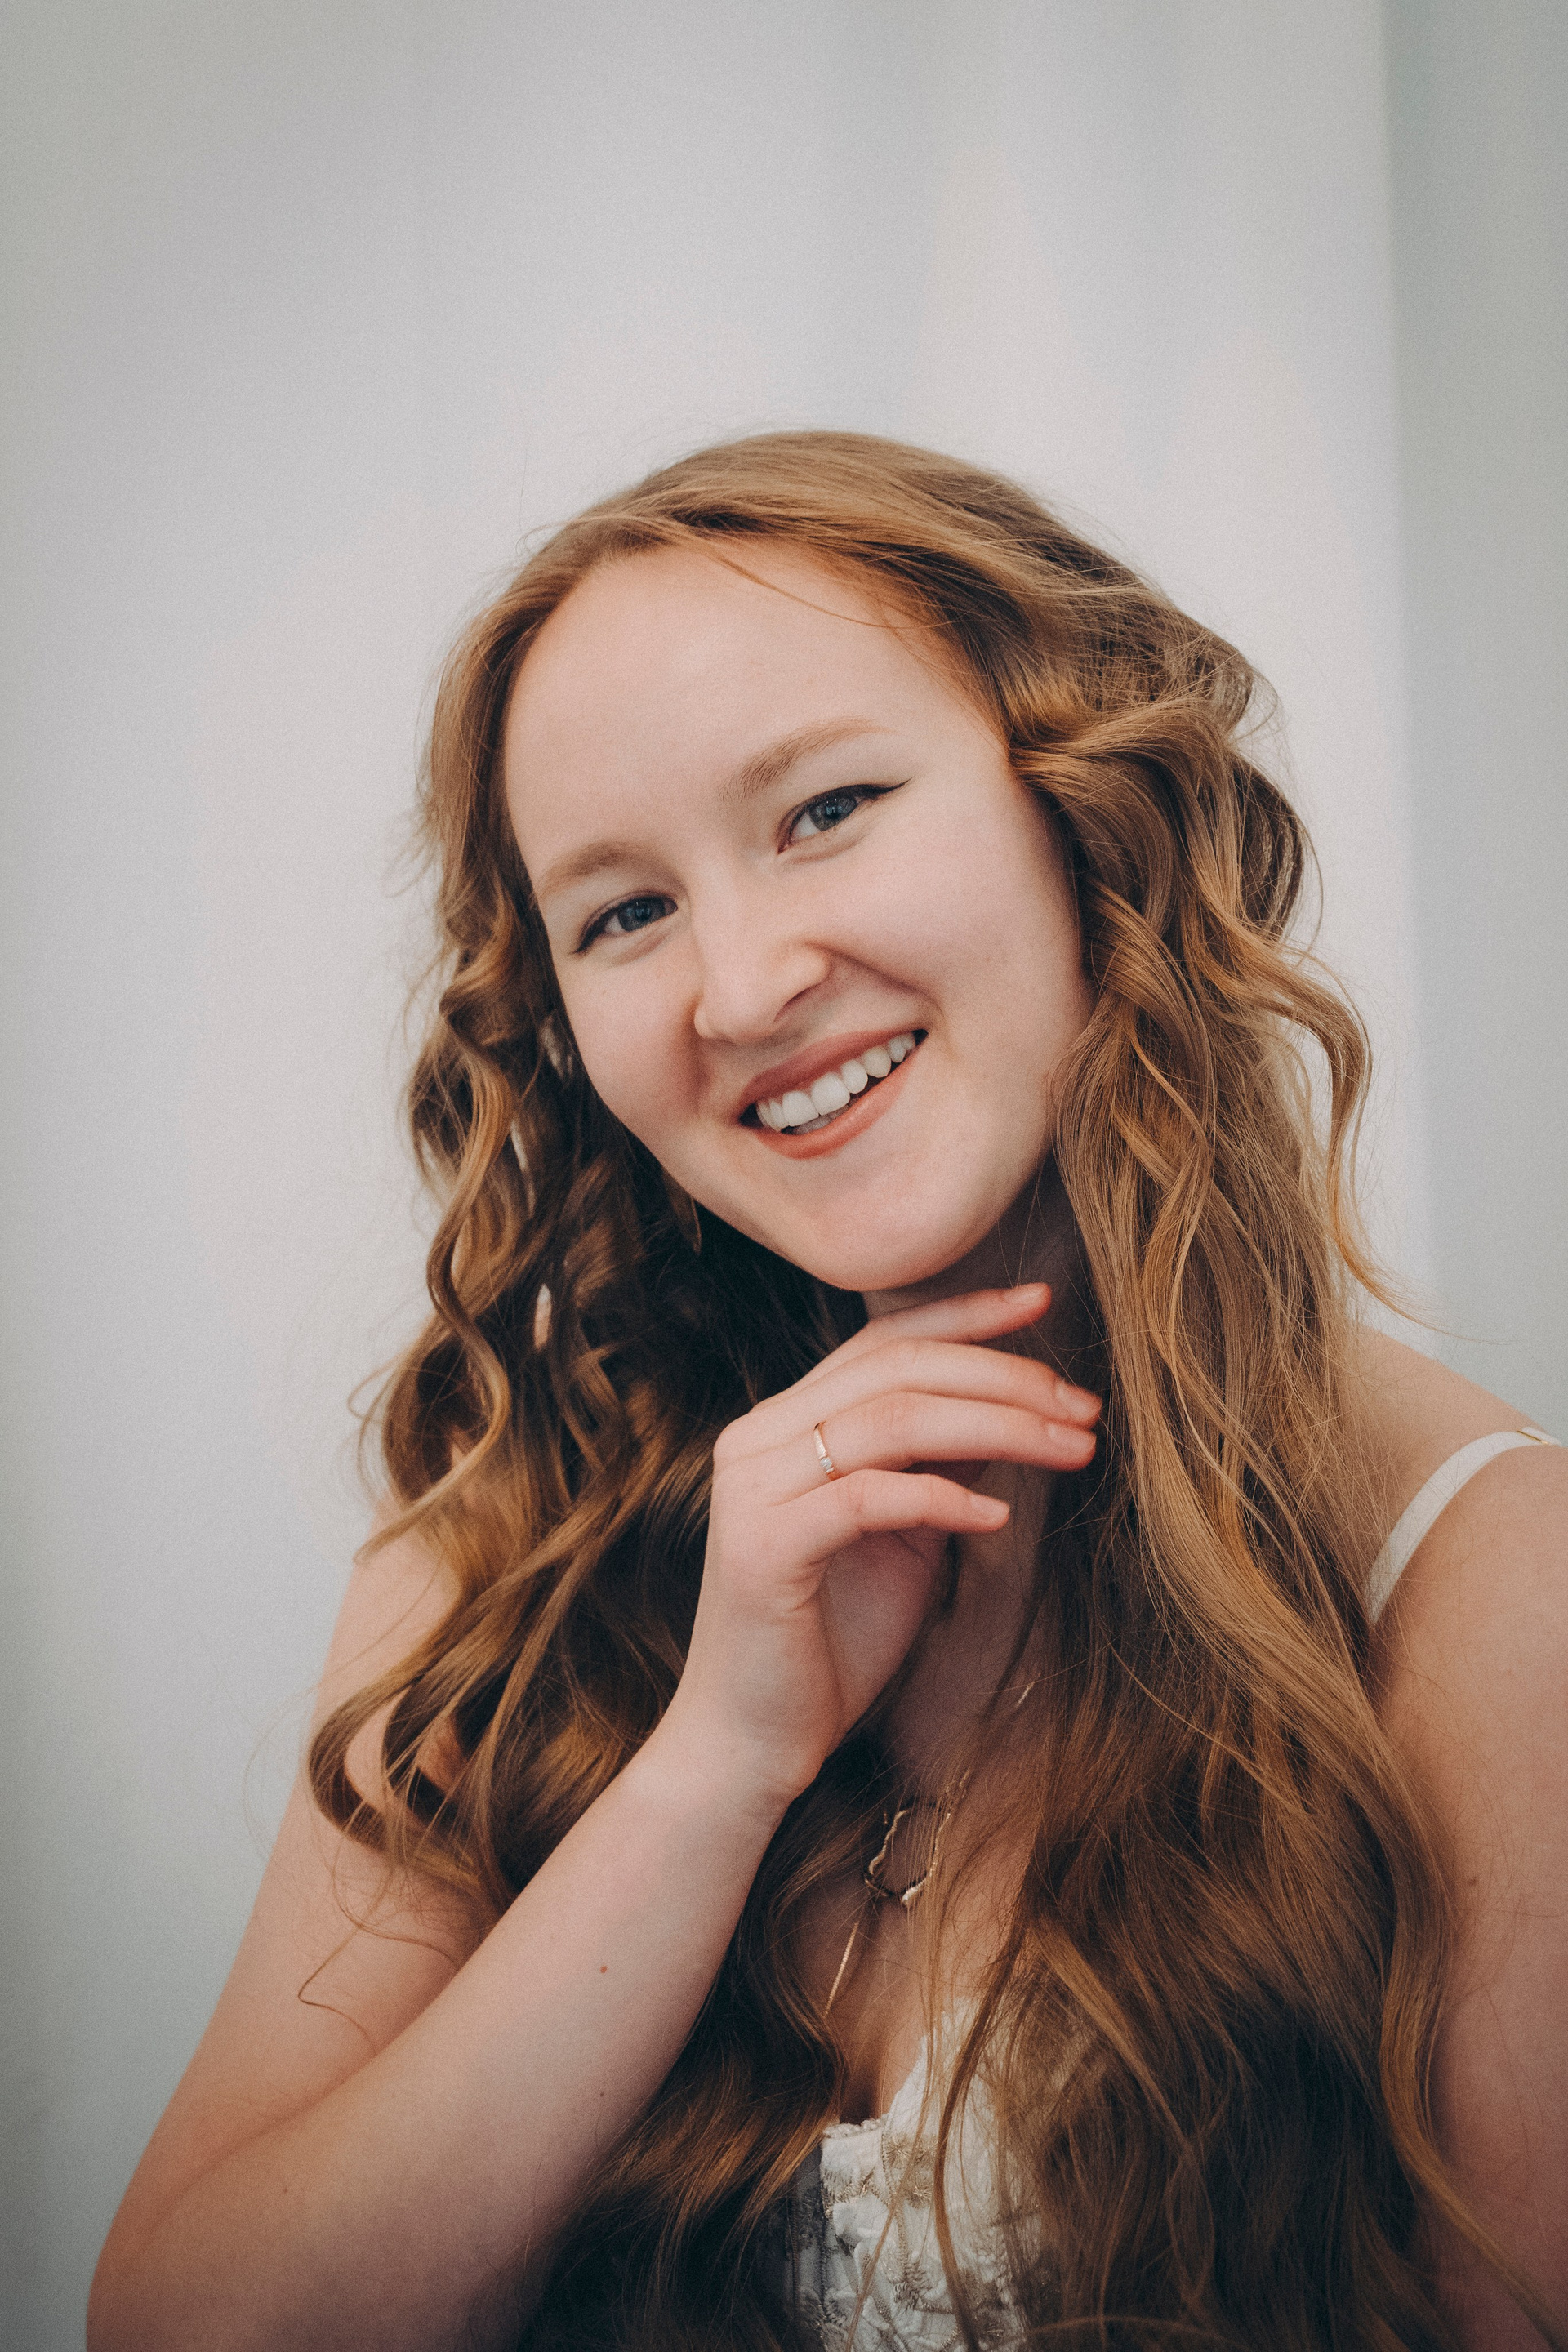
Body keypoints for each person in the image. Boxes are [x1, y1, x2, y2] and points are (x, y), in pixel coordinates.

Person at [89, 433, 1568, 2352]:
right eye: (623, 914)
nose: (740, 985)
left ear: (1086, 809)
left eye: (826, 811)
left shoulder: (1489, 1591)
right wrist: (716, 1764)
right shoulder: (502, 1550)